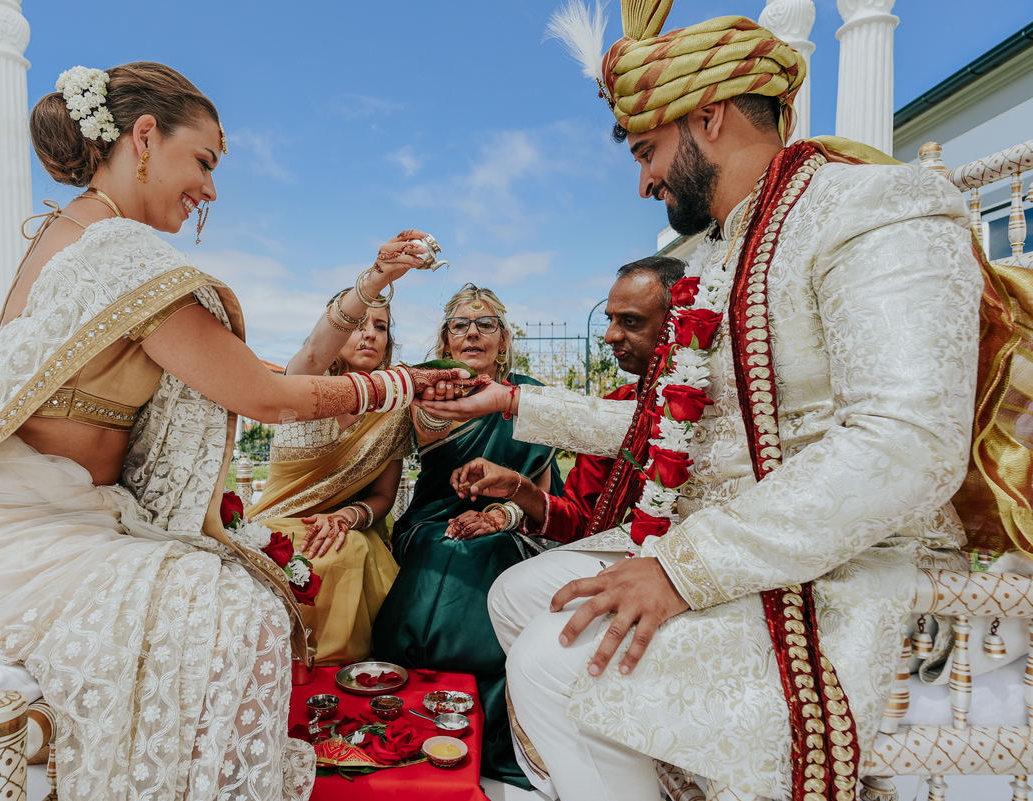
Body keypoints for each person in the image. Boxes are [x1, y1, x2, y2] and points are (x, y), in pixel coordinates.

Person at [0, 62, 478, 801]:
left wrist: (367, 288)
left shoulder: (79, 233)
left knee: (244, 598)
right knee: (237, 617)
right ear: (144, 136)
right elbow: (267, 395)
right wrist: (400, 383)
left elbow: (256, 371)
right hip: (0, 536)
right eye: (203, 161)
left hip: (47, 521)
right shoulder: (118, 253)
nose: (210, 188)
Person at [416, 2, 984, 798]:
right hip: (735, 546)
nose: (644, 179)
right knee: (516, 591)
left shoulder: (872, 208)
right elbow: (668, 430)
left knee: (555, 663)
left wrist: (683, 568)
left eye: (648, 150)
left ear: (708, 119)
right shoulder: (725, 250)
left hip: (856, 565)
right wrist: (510, 401)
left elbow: (907, 444)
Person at [371, 283, 564, 790]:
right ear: (445, 339)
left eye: (486, 325)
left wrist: (502, 515)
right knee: (444, 548)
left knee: (487, 552)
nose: (473, 333)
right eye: (460, 325)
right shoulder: (429, 385)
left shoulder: (531, 396)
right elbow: (421, 425)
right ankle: (410, 714)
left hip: (507, 522)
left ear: (504, 340)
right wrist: (442, 400)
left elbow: (543, 491)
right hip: (434, 520)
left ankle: (491, 732)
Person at [448, 257, 683, 544]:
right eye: (610, 320)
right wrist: (515, 485)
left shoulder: (714, 402)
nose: (610, 336)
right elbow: (583, 519)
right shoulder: (614, 403)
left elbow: (640, 423)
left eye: (630, 321)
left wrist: (510, 401)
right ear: (446, 340)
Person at [247, 271, 416, 666]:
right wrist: (375, 280)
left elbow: (384, 496)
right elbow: (310, 351)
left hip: (344, 524)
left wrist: (345, 515)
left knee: (348, 548)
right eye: (358, 324)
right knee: (314, 556)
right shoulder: (305, 384)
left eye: (381, 326)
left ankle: (336, 679)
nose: (370, 334)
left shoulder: (394, 411)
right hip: (277, 520)